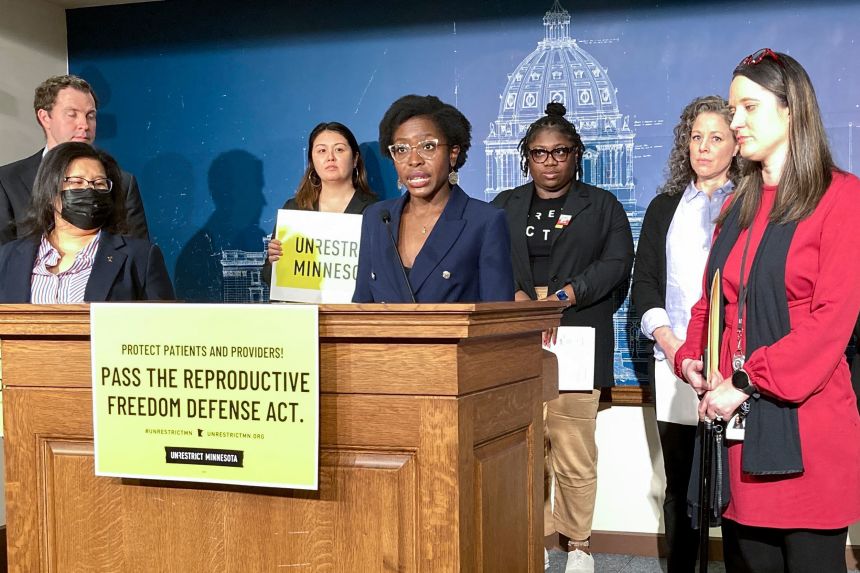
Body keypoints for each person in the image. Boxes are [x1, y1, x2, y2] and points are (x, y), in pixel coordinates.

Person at [676, 49, 860, 573]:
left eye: (748, 108)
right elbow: (713, 302)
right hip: (739, 429)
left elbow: (830, 325)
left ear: (791, 111)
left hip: (807, 431)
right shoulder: (737, 205)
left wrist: (745, 381)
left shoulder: (843, 198)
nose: (735, 122)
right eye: (732, 110)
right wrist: (693, 357)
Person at [492, 102, 633, 573]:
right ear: (525, 157)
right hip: (514, 335)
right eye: (539, 153)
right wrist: (512, 295)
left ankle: (579, 545)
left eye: (560, 152)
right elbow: (485, 260)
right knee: (522, 448)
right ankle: (526, 539)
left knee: (573, 448)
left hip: (575, 327)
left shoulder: (604, 206)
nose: (549, 161)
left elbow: (617, 264)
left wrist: (565, 297)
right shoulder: (503, 207)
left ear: (577, 155)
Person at [631, 95, 739, 573]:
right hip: (675, 364)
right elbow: (646, 289)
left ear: (737, 144)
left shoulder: (752, 204)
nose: (703, 147)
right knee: (680, 485)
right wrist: (675, 349)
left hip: (734, 371)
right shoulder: (663, 208)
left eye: (716, 137)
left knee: (738, 489)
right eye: (696, 137)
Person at [352, 95, 513, 303]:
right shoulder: (377, 218)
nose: (414, 160)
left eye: (427, 147)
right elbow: (362, 306)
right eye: (401, 149)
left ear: (453, 153)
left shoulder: (484, 221)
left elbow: (497, 317)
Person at [0, 142, 173, 303]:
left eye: (99, 184)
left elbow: (164, 326)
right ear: (49, 192)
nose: (89, 190)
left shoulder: (140, 257)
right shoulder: (8, 257)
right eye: (76, 182)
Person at [0, 74, 148, 245]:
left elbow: (139, 258)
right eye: (72, 114)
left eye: (90, 116)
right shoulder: (7, 181)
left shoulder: (122, 183)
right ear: (45, 117)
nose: (84, 125)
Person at [263, 121, 377, 284]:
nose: (330, 157)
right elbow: (268, 277)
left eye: (339, 149)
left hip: (352, 308)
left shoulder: (375, 211)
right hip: (303, 308)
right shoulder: (295, 209)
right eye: (322, 151)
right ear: (312, 161)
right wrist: (275, 262)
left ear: (355, 159)